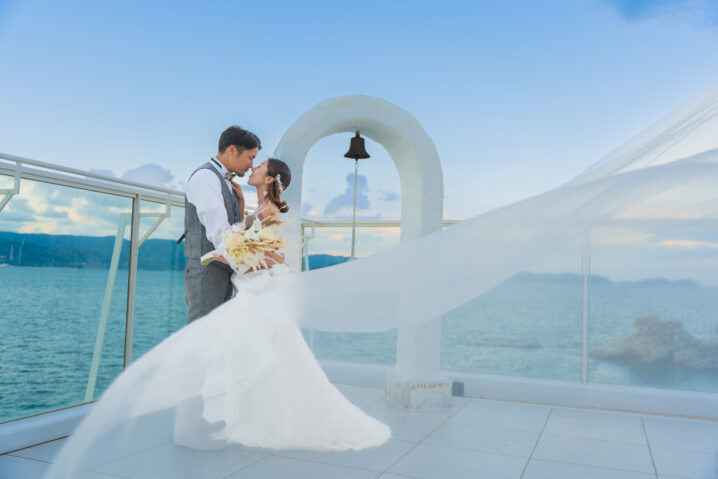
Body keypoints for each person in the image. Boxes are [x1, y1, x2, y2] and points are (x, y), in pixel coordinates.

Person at [174, 157, 392, 451]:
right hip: (257, 288)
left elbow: (268, 256)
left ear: (269, 178)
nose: (253, 167)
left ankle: (278, 421)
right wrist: (241, 205)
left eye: (259, 164)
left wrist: (225, 257)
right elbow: (254, 245)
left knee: (272, 356)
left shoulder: (269, 211)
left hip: (263, 289)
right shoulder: (261, 208)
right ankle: (259, 418)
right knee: (264, 356)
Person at [182, 125, 260, 323]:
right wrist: (248, 267)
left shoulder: (225, 181)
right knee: (201, 333)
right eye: (250, 157)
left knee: (216, 334)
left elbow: (230, 227)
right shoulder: (206, 177)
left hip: (222, 270)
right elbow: (220, 232)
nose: (252, 165)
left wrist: (240, 204)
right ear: (232, 150)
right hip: (207, 272)